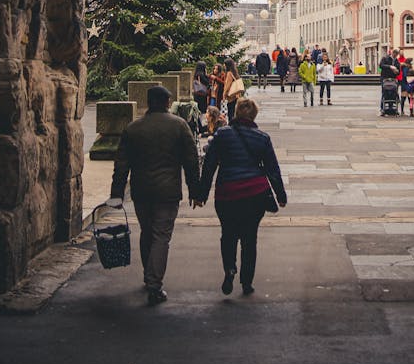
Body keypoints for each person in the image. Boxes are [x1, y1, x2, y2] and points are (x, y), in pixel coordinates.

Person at [108, 85, 200, 306]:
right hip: (168, 191)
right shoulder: (179, 125)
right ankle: (154, 284)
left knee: (147, 232)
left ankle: (148, 273)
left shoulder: (133, 128)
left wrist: (117, 193)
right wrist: (195, 190)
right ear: (167, 102)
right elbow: (191, 161)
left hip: (141, 191)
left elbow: (121, 164)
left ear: (148, 102)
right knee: (161, 236)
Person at [198, 96, 287, 296]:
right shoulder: (262, 138)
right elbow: (273, 169)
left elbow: (209, 165)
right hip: (254, 194)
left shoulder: (222, 134)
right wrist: (280, 195)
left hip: (227, 193)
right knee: (249, 238)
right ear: (254, 115)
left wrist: (201, 193)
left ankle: (229, 269)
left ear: (236, 113)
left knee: (228, 234)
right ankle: (247, 282)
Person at [222, 57, 244, 123]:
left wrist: (224, 94)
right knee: (233, 111)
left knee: (230, 112)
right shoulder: (234, 72)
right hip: (236, 95)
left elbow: (227, 85)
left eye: (224, 64)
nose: (223, 65)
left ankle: (231, 125)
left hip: (231, 96)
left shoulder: (229, 73)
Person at [379, 50, 398, 115]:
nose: (395, 56)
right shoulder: (385, 58)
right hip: (385, 78)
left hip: (393, 79)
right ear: (392, 53)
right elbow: (381, 65)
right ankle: (382, 108)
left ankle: (391, 107)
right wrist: (390, 67)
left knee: (393, 92)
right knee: (384, 92)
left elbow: (398, 69)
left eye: (396, 55)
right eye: (394, 55)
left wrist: (397, 71)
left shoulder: (396, 61)